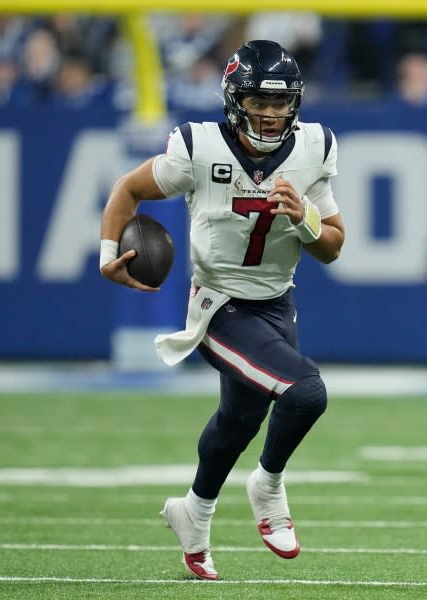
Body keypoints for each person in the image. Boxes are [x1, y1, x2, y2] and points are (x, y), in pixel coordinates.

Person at [99, 40, 344, 580]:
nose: (272, 113)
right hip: (219, 306)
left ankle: (194, 514)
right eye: (260, 100)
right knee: (306, 392)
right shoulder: (198, 146)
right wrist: (108, 252)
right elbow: (128, 188)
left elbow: (333, 244)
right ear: (235, 99)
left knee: (239, 420)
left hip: (278, 303)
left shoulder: (313, 147)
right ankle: (269, 484)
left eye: (282, 103)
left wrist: (303, 217)